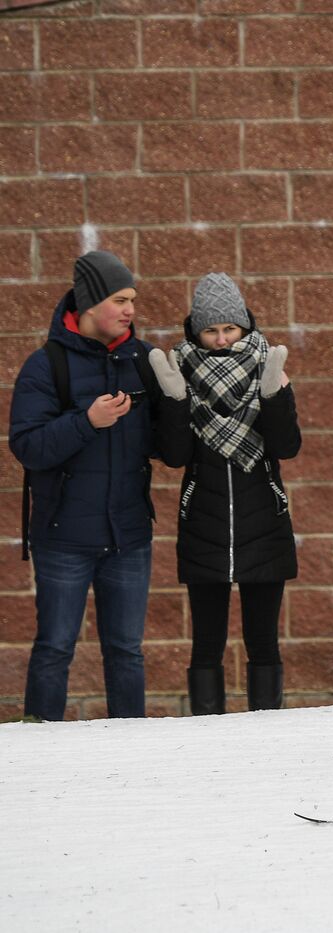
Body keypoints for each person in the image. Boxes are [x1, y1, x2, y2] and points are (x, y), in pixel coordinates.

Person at [9, 250, 167, 720]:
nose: (130, 310)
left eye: (132, 300)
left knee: (126, 652)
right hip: (64, 539)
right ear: (92, 303)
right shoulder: (46, 365)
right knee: (55, 649)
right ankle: (39, 743)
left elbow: (167, 446)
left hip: (129, 538)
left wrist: (177, 406)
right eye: (120, 300)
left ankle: (130, 748)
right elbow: (28, 446)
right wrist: (88, 421)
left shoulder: (143, 360)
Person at [148, 273, 300, 714]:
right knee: (206, 645)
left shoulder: (267, 367)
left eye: (229, 329)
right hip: (204, 524)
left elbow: (287, 446)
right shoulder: (180, 372)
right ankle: (204, 735)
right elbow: (174, 456)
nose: (220, 340)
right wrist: (175, 399)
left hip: (264, 523)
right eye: (210, 331)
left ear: (245, 328)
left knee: (263, 643)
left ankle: (267, 730)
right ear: (195, 331)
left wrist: (273, 395)